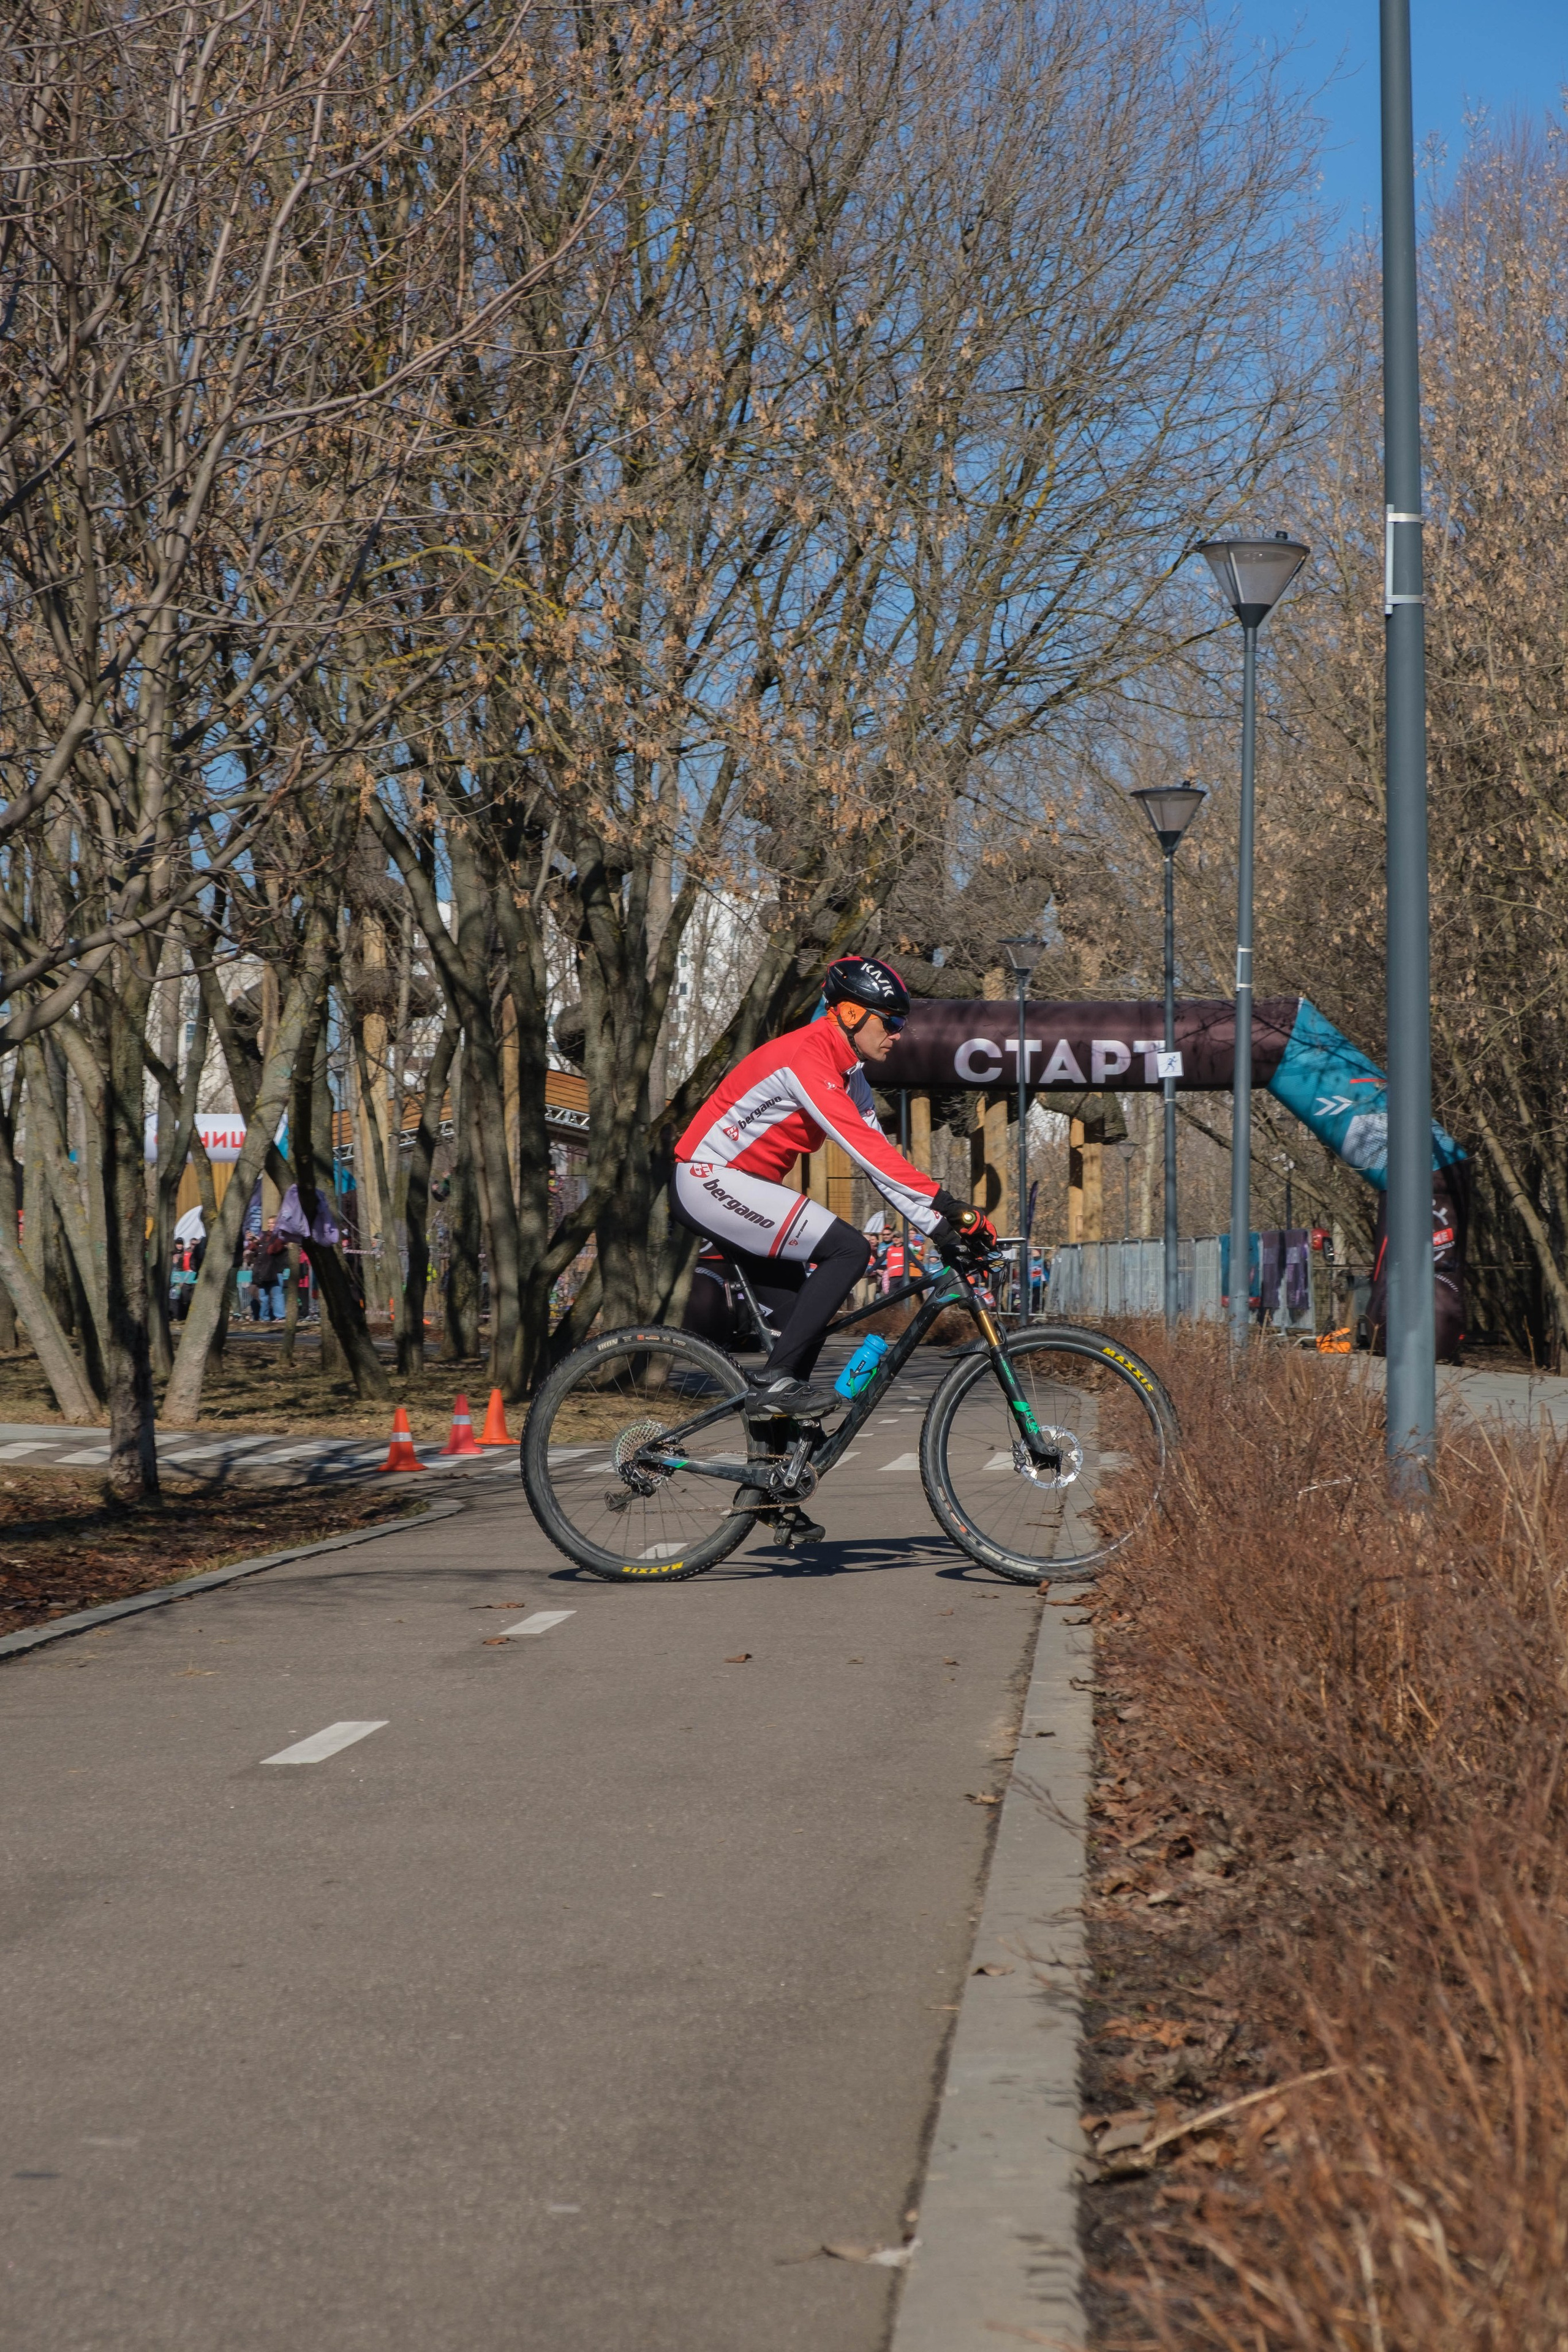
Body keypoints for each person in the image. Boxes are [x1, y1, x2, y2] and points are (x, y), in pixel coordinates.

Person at [672, 954, 995, 1416]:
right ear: (848, 1014)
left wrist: (942, 1233)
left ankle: (777, 1460)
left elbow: (879, 1168)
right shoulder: (808, 1056)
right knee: (849, 1250)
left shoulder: (852, 1077)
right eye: (891, 1021)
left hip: (741, 1189)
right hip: (707, 1178)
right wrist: (947, 1205)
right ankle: (776, 1387)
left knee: (803, 1331)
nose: (898, 1033)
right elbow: (866, 1149)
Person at [249, 1219, 289, 1323]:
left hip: (276, 1271)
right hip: (262, 1272)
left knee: (277, 1295)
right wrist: (253, 1242)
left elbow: (273, 1250)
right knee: (263, 1296)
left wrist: (262, 1244)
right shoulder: (264, 1237)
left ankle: (280, 1316)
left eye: (273, 1223)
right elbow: (253, 1248)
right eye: (269, 1223)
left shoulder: (281, 1236)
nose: (271, 1225)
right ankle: (264, 1317)